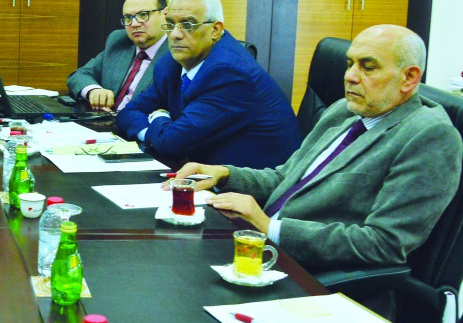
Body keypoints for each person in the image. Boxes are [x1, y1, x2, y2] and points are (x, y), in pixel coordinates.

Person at [174, 25, 462, 272]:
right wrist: (223, 174)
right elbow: (285, 178)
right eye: (350, 64)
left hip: (316, 278)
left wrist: (269, 226)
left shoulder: (429, 136)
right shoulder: (344, 111)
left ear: (409, 78)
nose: (350, 76)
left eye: (368, 66)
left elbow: (384, 244)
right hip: (262, 250)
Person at [116, 0, 301, 167]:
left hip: (253, 187)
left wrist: (158, 117)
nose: (175, 34)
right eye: (170, 24)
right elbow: (129, 113)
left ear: (215, 30)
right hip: (201, 172)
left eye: (187, 25)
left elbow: (170, 143)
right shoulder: (170, 63)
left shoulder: (229, 73)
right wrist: (156, 132)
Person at [67, 0, 171, 111]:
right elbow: (79, 75)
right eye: (128, 17)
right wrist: (94, 90)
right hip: (102, 123)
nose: (134, 24)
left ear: (165, 15)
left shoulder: (176, 53)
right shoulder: (119, 41)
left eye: (143, 15)